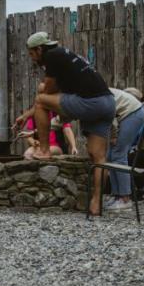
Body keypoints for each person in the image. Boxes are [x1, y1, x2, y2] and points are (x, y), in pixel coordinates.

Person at [12, 32, 115, 215]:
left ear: (39, 49)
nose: (32, 58)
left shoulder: (52, 56)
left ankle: (44, 151)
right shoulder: (65, 55)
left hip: (91, 103)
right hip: (107, 103)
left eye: (32, 54)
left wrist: (43, 88)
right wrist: (27, 116)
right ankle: (96, 203)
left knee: (41, 95)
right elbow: (54, 96)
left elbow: (47, 94)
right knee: (98, 156)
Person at [101, 88, 144, 212]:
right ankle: (116, 195)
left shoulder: (94, 93)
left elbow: (109, 113)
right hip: (124, 114)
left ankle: (125, 199)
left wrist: (114, 134)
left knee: (118, 154)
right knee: (111, 155)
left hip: (131, 113)